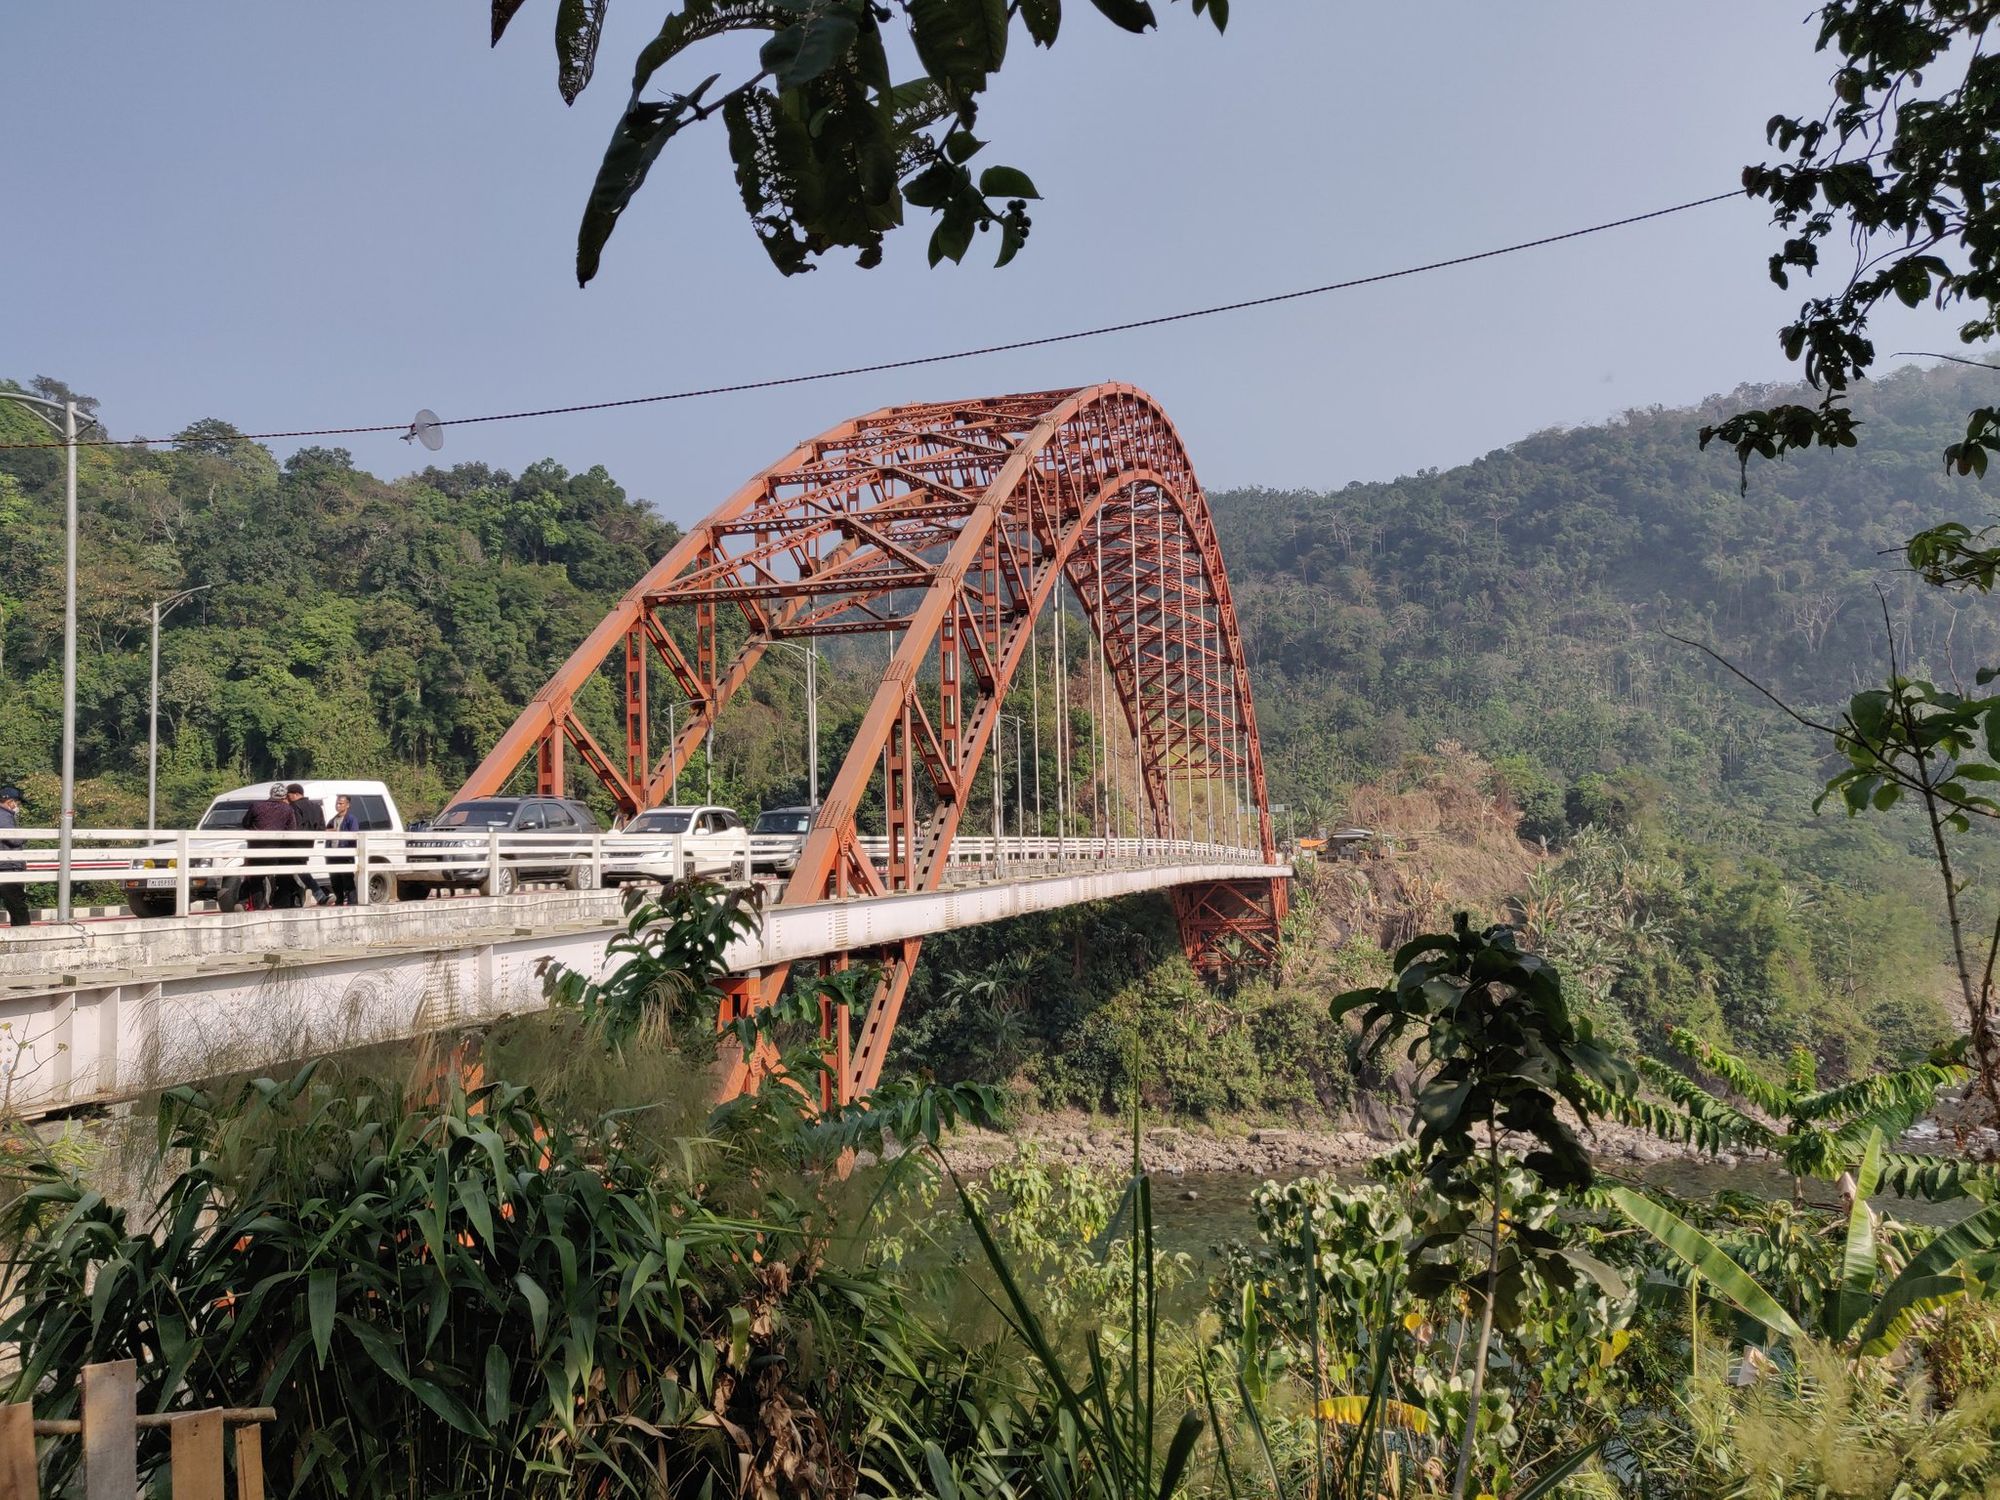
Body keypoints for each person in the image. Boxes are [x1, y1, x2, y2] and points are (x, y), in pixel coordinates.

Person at [220, 784, 297, 912]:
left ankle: (246, 902)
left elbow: (245, 823)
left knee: (254, 878)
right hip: (274, 850)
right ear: (284, 796)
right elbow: (291, 830)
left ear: (271, 794)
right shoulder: (287, 809)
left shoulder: (257, 806)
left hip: (254, 848)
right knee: (267, 878)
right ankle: (260, 906)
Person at [283, 783, 330, 906]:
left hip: (292, 845)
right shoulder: (316, 807)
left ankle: (313, 896)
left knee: (292, 873)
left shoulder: (293, 807)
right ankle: (316, 896)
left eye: (288, 795)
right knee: (300, 870)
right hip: (308, 844)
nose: (287, 798)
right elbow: (321, 829)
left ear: (296, 794)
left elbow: (293, 827)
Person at [0, 786, 29, 928]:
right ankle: (24, 937)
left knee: (14, 904)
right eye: (17, 802)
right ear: (10, 801)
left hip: (7, 866)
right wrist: (24, 837)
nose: (17, 806)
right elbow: (13, 839)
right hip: (8, 867)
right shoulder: (3, 816)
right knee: (18, 905)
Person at [328, 792, 360, 905]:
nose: (338, 806)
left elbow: (354, 835)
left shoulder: (351, 819)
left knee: (347, 880)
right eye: (337, 803)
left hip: (345, 854)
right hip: (332, 855)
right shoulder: (332, 820)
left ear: (347, 805)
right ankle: (339, 901)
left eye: (341, 803)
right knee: (335, 881)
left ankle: (352, 902)